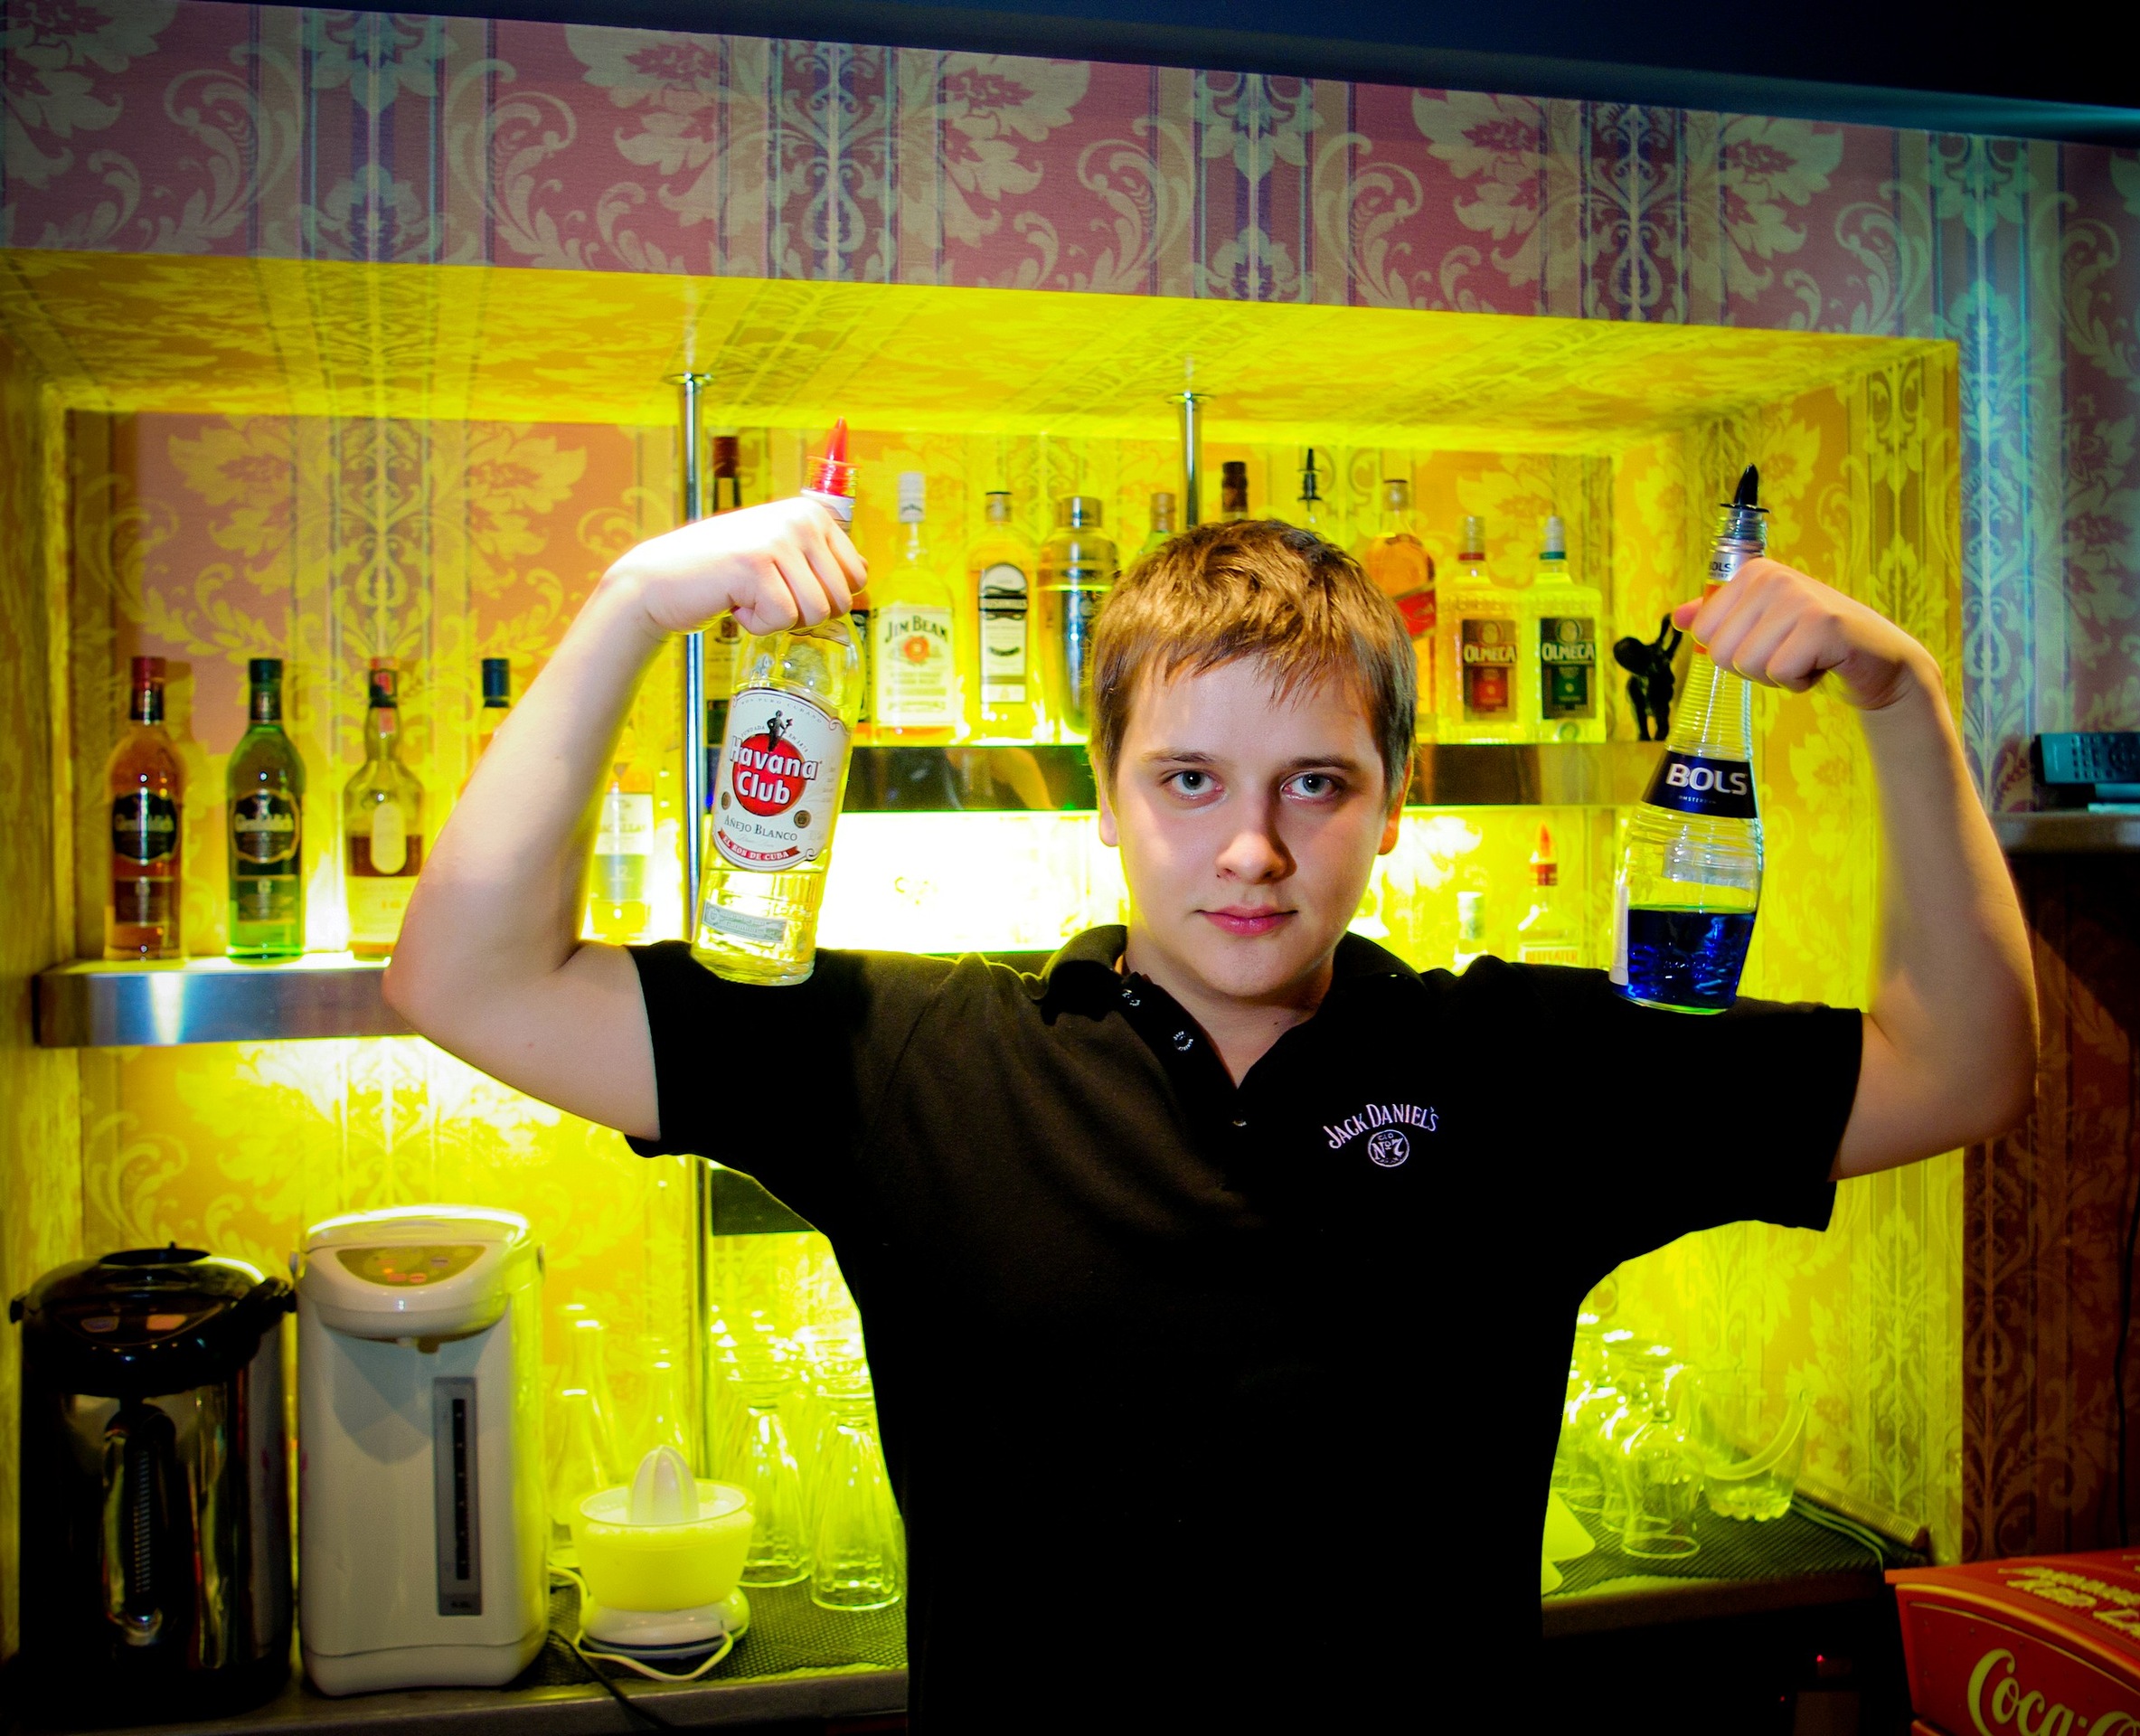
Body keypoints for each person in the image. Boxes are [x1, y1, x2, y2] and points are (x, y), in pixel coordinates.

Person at [385, 499, 2033, 1730]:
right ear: (1103, 797)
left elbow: (1962, 1068)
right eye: (1189, 780)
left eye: (1316, 783)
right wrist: (631, 604)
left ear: (1393, 803)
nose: (1253, 847)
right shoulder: (915, 1061)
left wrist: (1902, 701)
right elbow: (465, 976)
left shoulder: (1520, 1070)